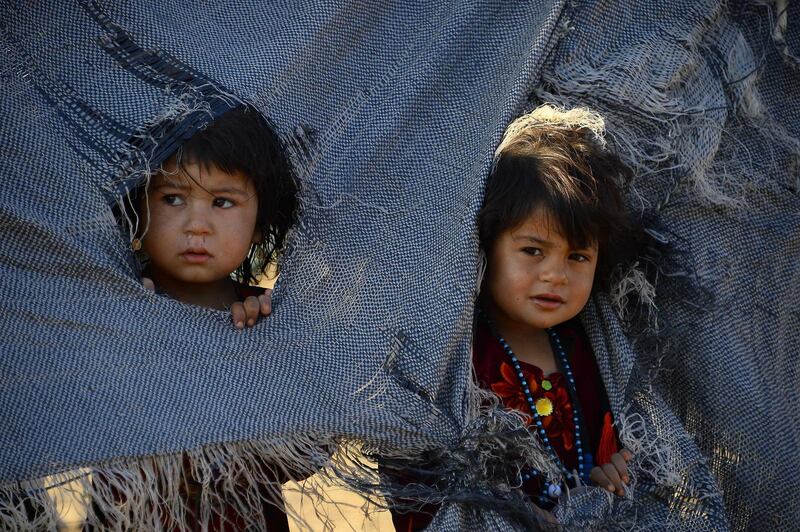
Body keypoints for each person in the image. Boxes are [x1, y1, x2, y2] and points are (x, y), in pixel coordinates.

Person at [392, 105, 639, 530]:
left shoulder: (592, 351)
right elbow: (419, 478)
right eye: (532, 251)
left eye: (578, 256)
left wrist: (606, 477)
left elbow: (599, 465)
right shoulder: (452, 356)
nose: (555, 275)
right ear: (485, 245)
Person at [107, 103, 299, 530]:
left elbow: (306, 460)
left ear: (258, 225)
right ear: (137, 210)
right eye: (173, 198)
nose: (198, 225)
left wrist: (260, 350)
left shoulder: (272, 318)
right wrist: (133, 332)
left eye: (222, 202)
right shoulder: (109, 309)